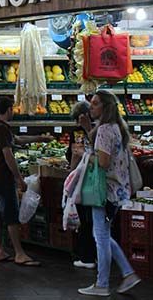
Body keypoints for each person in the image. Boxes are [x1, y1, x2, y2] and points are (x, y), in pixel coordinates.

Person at [75, 90, 141, 296]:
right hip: (117, 189)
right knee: (101, 234)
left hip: (104, 190)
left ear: (105, 107)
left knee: (101, 237)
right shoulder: (116, 127)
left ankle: (102, 284)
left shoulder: (104, 130)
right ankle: (128, 273)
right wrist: (88, 130)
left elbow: (102, 162)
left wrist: (83, 155)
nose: (90, 107)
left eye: (94, 104)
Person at [0, 96, 53, 267]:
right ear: (9, 109)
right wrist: (19, 178)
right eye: (13, 109)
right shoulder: (2, 130)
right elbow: (8, 155)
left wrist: (40, 138)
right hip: (3, 178)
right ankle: (19, 253)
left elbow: (17, 140)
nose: (14, 112)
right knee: (11, 216)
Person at [67, 100, 97, 270]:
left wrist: (71, 172)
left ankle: (87, 256)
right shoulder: (99, 127)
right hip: (95, 179)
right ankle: (96, 256)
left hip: (85, 179)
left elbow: (76, 154)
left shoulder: (80, 132)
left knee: (86, 220)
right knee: (94, 220)